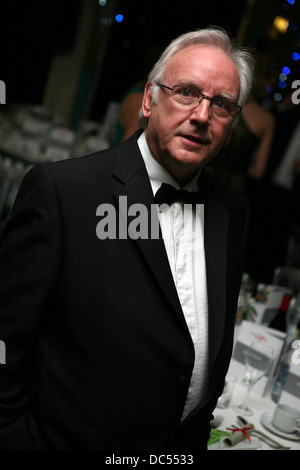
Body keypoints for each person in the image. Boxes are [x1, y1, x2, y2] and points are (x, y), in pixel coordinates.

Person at [0, 27, 254, 450]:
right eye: (187, 92)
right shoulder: (66, 193)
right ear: (150, 99)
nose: (202, 115)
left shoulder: (233, 212)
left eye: (222, 105)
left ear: (231, 126)